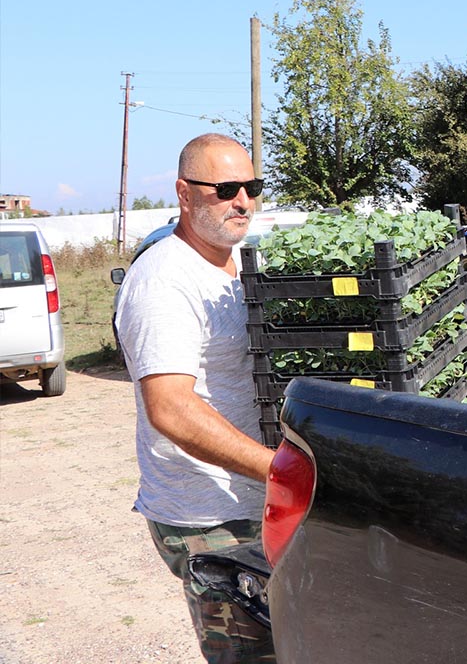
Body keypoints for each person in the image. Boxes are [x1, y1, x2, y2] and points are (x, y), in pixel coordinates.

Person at [115, 133, 276, 662]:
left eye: (252, 186)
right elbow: (171, 407)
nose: (243, 201)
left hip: (255, 500)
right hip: (210, 519)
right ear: (184, 194)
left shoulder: (235, 264)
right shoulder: (164, 280)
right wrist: (282, 471)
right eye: (225, 188)